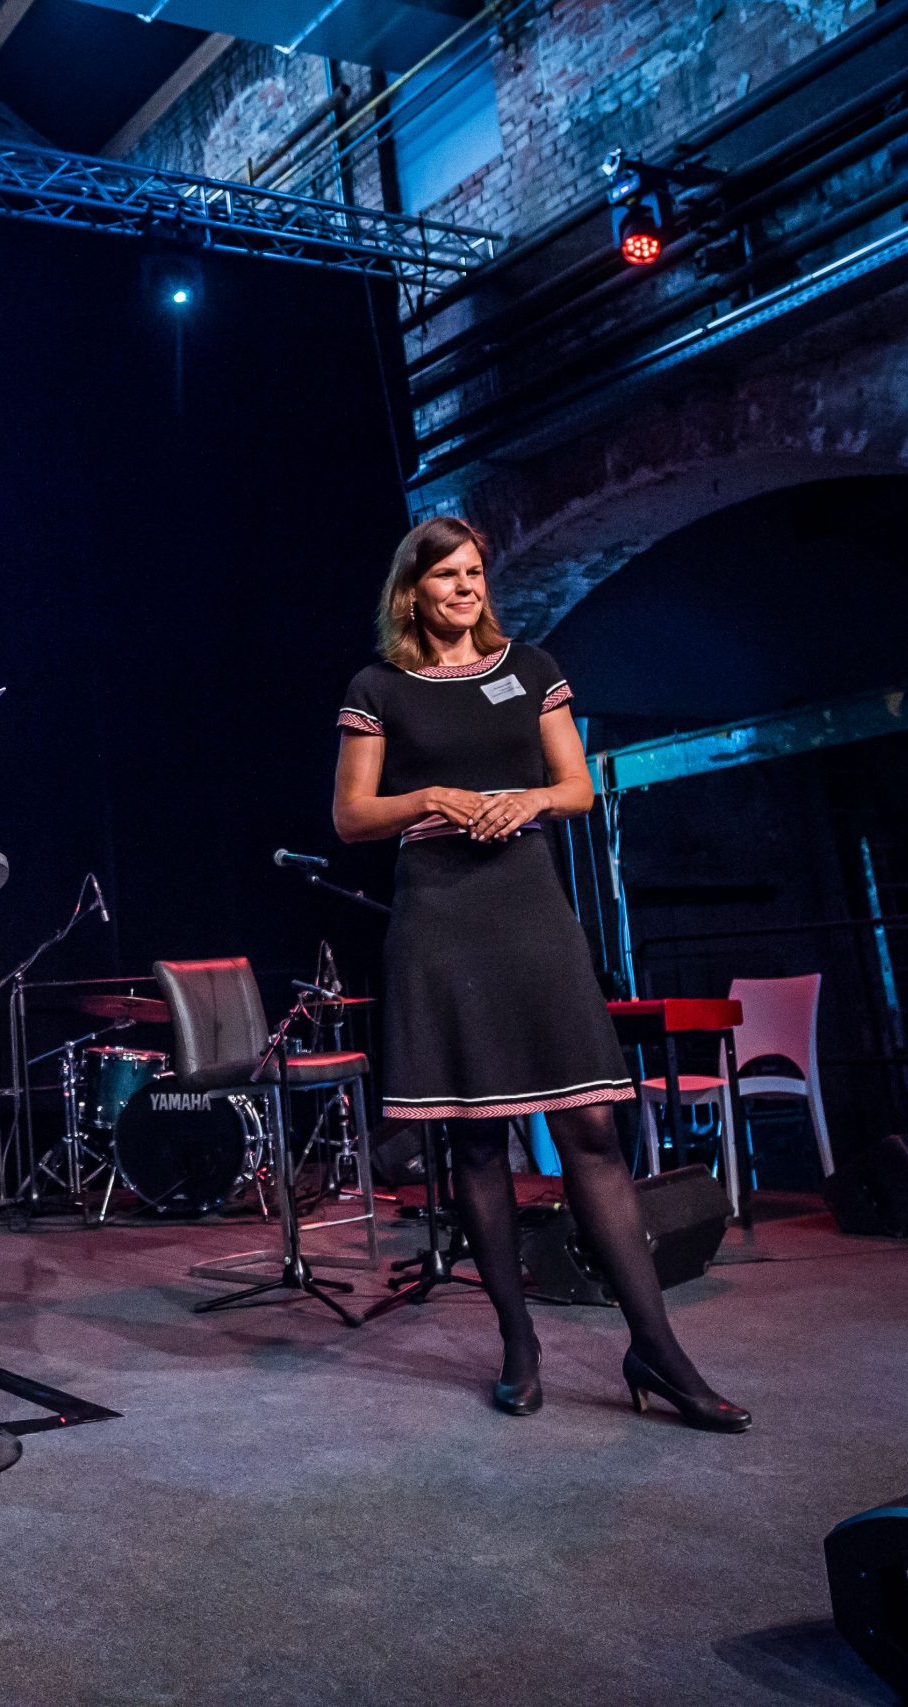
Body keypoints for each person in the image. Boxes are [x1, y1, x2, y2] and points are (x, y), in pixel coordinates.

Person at [331, 515, 749, 1433]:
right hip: (441, 916)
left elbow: (577, 788)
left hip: (528, 909)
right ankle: (518, 1343)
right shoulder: (379, 687)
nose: (465, 587)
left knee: (591, 1126)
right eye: (447, 575)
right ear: (413, 590)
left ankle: (657, 1346)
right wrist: (431, 797)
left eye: (475, 572)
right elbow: (352, 815)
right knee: (478, 1141)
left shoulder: (531, 668)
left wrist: (524, 800)